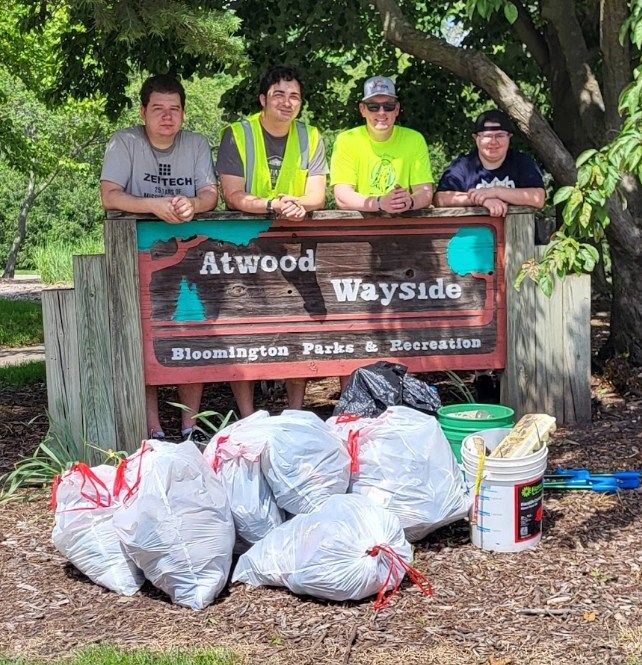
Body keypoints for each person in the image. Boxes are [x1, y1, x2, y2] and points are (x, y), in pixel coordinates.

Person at [100, 74, 218, 441]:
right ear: (143, 111)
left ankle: (190, 426)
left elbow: (210, 194)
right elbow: (110, 195)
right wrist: (152, 206)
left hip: (190, 256)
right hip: (139, 255)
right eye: (158, 109)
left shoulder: (196, 144)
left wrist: (193, 205)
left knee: (191, 334)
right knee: (145, 339)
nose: (167, 117)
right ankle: (154, 429)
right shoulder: (125, 142)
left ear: (183, 113)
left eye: (174, 109)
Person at [216, 65, 328, 417]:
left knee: (298, 326)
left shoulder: (312, 137)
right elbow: (232, 195)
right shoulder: (237, 134)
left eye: (294, 96)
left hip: (294, 243)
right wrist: (271, 205)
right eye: (279, 94)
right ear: (263, 99)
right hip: (242, 246)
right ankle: (248, 417)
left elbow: (318, 196)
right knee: (241, 329)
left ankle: (296, 413)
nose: (287, 102)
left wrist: (297, 205)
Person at [330, 75, 434, 213]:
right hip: (359, 228)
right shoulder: (346, 140)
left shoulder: (414, 139)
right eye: (373, 106)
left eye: (388, 106)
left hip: (404, 226)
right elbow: (342, 196)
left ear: (397, 109)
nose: (381, 112)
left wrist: (409, 202)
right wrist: (380, 203)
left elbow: (425, 193)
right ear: (362, 109)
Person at [434, 109, 545, 216]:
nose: (493, 142)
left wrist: (496, 192)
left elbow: (538, 198)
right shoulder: (464, 165)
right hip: (472, 233)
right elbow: (440, 199)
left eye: (500, 136)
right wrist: (482, 200)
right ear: (476, 138)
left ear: (509, 137)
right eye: (487, 136)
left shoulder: (522, 162)